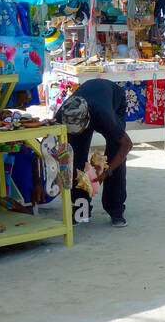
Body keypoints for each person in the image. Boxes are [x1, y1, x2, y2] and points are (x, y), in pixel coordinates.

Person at [54, 79, 133, 227]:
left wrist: (106, 172)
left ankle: (116, 211)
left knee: (115, 154)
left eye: (79, 129)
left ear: (88, 120)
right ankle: (81, 211)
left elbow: (127, 145)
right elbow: (49, 144)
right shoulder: (63, 114)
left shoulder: (104, 115)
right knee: (76, 160)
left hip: (113, 99)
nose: (77, 133)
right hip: (89, 101)